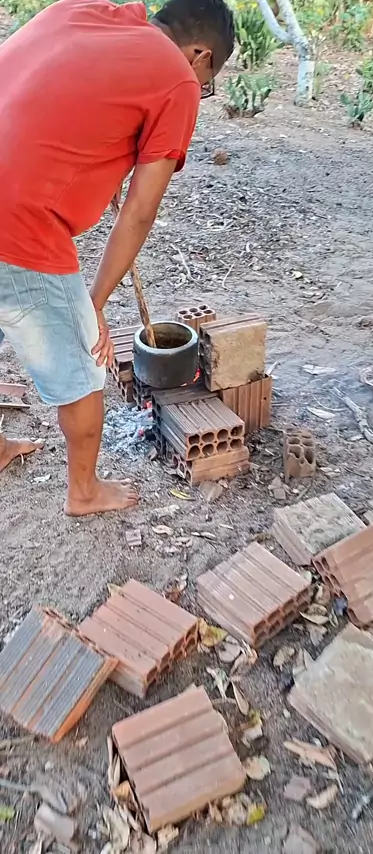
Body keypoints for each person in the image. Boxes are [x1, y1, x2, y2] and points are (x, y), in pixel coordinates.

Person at [0, 0, 234, 514]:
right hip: (15, 221)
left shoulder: (82, 11)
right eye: (208, 81)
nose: (200, 88)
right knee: (84, 366)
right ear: (200, 55)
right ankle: (84, 492)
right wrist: (96, 302)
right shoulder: (178, 79)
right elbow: (140, 212)